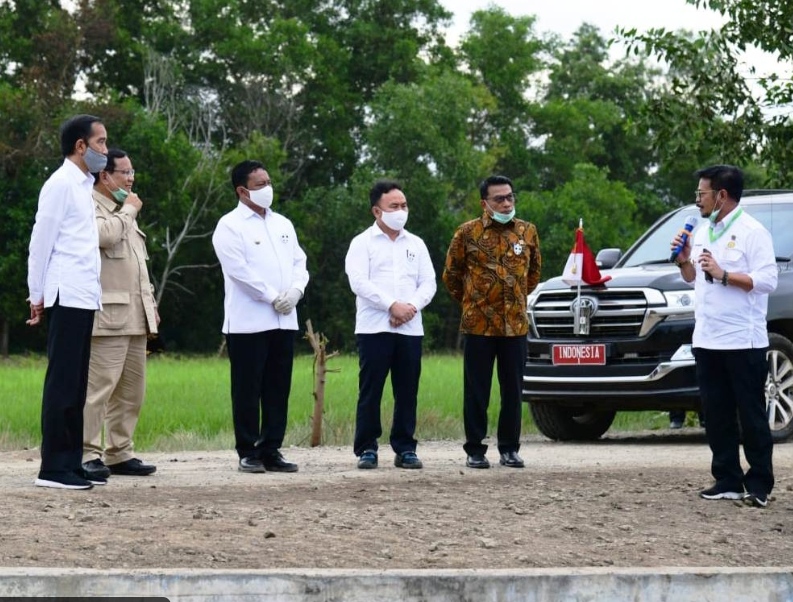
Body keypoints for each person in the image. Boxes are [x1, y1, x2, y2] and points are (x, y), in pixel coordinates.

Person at [670, 164, 777, 507]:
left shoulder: (752, 231)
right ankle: (726, 478)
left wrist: (725, 273)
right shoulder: (703, 230)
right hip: (707, 338)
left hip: (742, 341)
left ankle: (758, 483)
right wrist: (684, 261)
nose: (697, 200)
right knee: (716, 414)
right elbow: (693, 278)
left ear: (721, 195)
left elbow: (767, 280)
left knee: (751, 415)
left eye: (701, 193)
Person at [26, 114, 108, 490]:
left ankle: (71, 463)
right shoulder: (60, 183)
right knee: (62, 382)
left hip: (83, 294)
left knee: (77, 383)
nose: (105, 151)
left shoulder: (84, 185)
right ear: (81, 146)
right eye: (102, 143)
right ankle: (54, 468)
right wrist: (36, 293)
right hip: (65, 293)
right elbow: (41, 242)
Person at [212, 160, 308, 473]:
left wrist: (295, 290)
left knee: (278, 386)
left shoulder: (283, 224)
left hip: (284, 319)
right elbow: (238, 271)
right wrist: (271, 296)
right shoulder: (229, 225)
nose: (268, 189)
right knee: (247, 388)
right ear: (242, 191)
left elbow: (299, 261)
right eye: (259, 185)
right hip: (249, 321)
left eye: (268, 182)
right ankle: (248, 449)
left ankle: (271, 448)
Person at [442, 175, 542, 469]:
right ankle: (475, 449)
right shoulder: (467, 233)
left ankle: (510, 448)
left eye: (510, 196)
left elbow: (533, 274)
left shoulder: (527, 231)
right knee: (477, 390)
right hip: (479, 326)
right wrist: (475, 302)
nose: (506, 202)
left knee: (513, 390)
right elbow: (451, 276)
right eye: (499, 198)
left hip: (515, 326)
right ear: (484, 203)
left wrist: (514, 299)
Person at [345, 180, 437, 470]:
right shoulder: (362, 243)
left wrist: (409, 308)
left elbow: (429, 283)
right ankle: (367, 449)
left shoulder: (416, 244)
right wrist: (391, 305)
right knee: (371, 390)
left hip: (409, 328)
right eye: (393, 206)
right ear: (377, 210)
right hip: (375, 328)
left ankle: (405, 447)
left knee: (407, 389)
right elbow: (359, 282)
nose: (400, 210)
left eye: (404, 205)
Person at [81, 149, 159, 481]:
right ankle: (85, 453)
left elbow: (138, 266)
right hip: (107, 316)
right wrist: (128, 210)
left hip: (135, 314)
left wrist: (150, 305)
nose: (130, 179)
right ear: (105, 176)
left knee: (131, 391)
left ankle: (119, 452)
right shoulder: (90, 206)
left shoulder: (122, 211)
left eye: (132, 172)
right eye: (124, 173)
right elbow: (103, 236)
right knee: (99, 389)